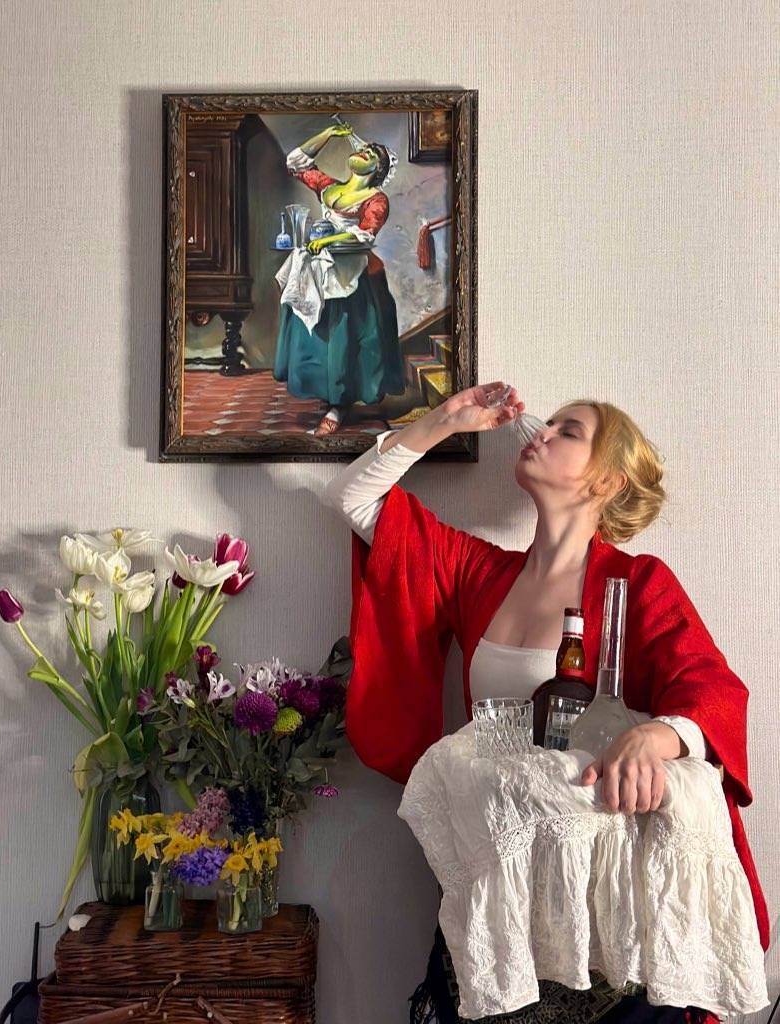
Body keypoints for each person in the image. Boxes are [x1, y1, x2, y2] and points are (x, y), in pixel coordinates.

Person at [320, 383, 770, 1024]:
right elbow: (354, 497)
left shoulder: (637, 583)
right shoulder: (478, 574)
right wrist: (446, 419)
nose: (543, 432)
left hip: (601, 907)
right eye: (549, 422)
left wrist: (654, 738)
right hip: (502, 891)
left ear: (607, 481)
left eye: (569, 431)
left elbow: (713, 690)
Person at [273, 121, 407, 436]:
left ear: (377, 169)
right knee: (319, 338)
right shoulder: (330, 187)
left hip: (354, 274)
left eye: (371, 154)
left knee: (344, 340)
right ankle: (326, 395)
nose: (363, 152)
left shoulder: (376, 199)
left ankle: (339, 406)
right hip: (321, 268)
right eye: (364, 148)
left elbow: (365, 235)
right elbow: (295, 162)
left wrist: (327, 241)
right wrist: (329, 134)